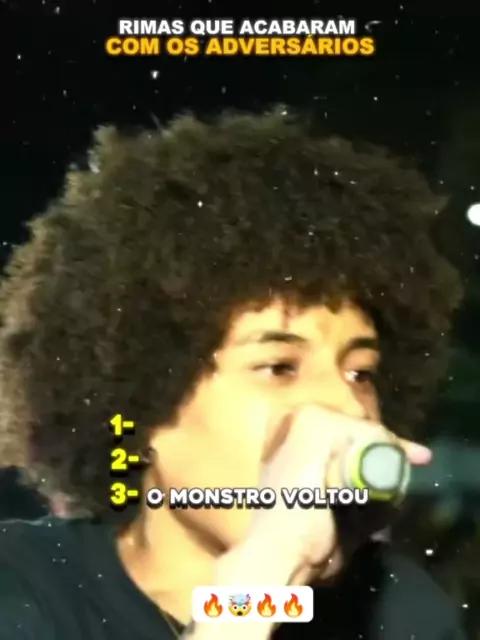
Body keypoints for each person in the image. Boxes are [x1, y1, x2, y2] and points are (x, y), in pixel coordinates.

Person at [0, 108, 466, 639]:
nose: (347, 406)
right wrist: (263, 573)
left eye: (361, 373)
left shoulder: (401, 611)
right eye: (279, 367)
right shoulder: (22, 583)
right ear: (141, 405)